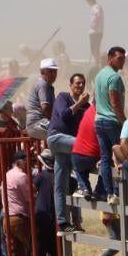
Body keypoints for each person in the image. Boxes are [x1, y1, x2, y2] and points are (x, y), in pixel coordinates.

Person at [46, 71, 90, 229]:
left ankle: (63, 222)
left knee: (60, 184)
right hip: (56, 138)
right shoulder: (62, 97)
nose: (80, 85)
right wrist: (79, 103)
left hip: (68, 147)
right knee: (82, 144)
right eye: (77, 83)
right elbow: (64, 115)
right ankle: (82, 186)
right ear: (70, 85)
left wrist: (89, 106)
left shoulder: (86, 106)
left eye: (83, 83)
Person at [92, 46, 127, 199]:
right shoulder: (114, 77)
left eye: (124, 58)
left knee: (106, 158)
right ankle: (120, 192)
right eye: (119, 58)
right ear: (110, 58)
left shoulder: (99, 75)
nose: (123, 61)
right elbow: (115, 102)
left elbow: (94, 100)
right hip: (112, 121)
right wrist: (124, 122)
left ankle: (109, 193)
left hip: (99, 120)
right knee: (121, 156)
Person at [2, 151, 33, 256]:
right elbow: (29, 198)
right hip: (20, 218)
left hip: (7, 217)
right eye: (27, 160)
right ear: (20, 162)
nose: (29, 162)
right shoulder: (22, 176)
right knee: (34, 249)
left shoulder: (7, 175)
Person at [26, 59, 57, 144]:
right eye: (50, 71)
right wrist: (56, 120)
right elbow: (45, 108)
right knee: (60, 132)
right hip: (36, 123)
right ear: (42, 72)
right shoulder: (43, 84)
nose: (54, 74)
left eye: (55, 71)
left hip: (39, 123)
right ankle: (46, 155)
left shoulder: (49, 87)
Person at [86, 0, 104, 65]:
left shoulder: (96, 7)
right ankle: (98, 62)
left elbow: (97, 15)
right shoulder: (94, 7)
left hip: (96, 31)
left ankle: (99, 63)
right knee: (94, 49)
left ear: (90, 0)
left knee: (95, 49)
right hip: (94, 31)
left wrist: (94, 24)